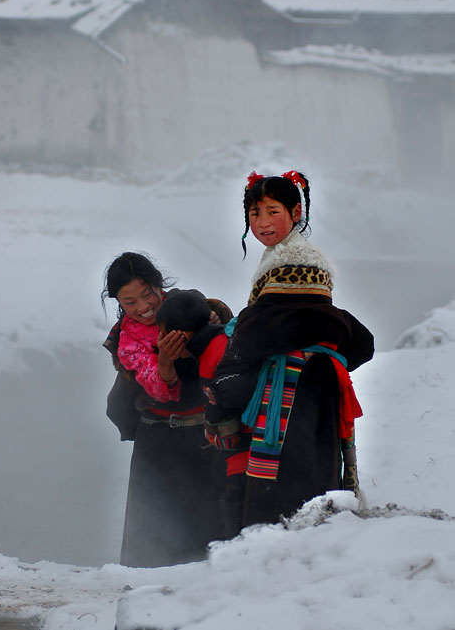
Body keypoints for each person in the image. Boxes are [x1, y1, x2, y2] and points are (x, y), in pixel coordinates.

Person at [210, 170, 374, 529]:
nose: (262, 222)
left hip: (295, 386)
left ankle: (282, 559)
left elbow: (272, 327)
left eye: (272, 211)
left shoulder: (296, 261)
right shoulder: (284, 256)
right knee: (316, 473)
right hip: (318, 385)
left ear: (296, 213)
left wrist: (227, 374)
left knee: (285, 485)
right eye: (254, 213)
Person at [102, 252, 227, 567]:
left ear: (159, 284)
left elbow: (226, 343)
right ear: (118, 303)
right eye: (129, 302)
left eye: (147, 294)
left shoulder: (190, 306)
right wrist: (166, 363)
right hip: (158, 444)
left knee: (210, 537)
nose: (143, 307)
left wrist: (214, 320)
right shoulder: (127, 341)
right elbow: (158, 388)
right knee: (154, 537)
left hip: (206, 437)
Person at [155, 289, 250, 540]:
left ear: (181, 336)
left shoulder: (210, 356)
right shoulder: (225, 339)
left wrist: (212, 436)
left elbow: (223, 426)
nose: (160, 339)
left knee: (236, 526)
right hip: (262, 450)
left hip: (244, 459)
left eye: (163, 333)